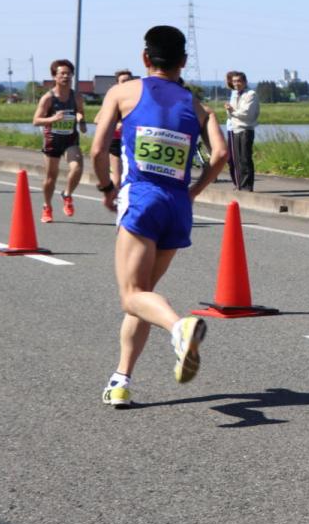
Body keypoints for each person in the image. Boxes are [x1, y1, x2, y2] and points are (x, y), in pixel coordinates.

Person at [89, 25, 228, 408]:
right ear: (183, 62)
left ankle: (178, 328)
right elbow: (220, 154)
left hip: (142, 197)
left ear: (145, 58)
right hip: (177, 206)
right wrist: (195, 191)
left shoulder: (123, 91)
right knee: (143, 293)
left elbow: (99, 149)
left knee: (132, 295)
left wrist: (106, 189)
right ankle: (121, 380)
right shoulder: (198, 106)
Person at [32, 59, 86, 223]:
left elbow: (80, 112)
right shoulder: (48, 98)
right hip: (52, 140)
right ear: (55, 76)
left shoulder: (76, 96)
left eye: (68, 73)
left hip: (70, 139)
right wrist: (54, 118)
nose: (66, 76)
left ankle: (67, 194)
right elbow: (36, 120)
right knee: (51, 178)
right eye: (62, 73)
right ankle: (47, 207)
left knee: (77, 167)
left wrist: (81, 120)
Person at [223, 70, 259, 191]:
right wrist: (229, 109)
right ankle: (240, 184)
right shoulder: (236, 94)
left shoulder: (251, 94)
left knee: (245, 158)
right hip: (235, 128)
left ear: (245, 82)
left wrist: (232, 111)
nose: (236, 83)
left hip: (246, 128)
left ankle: (247, 185)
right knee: (236, 159)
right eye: (234, 81)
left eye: (239, 81)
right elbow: (231, 114)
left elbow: (246, 113)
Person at [105, 69, 135, 188]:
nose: (126, 83)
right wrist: (115, 124)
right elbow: (98, 119)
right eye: (123, 81)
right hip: (116, 142)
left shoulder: (137, 99)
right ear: (118, 83)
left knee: (132, 178)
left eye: (128, 80)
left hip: (132, 142)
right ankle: (114, 199)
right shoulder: (114, 99)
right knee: (117, 179)